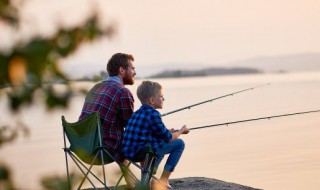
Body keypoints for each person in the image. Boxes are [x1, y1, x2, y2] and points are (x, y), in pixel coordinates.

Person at [79, 52, 136, 187]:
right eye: (132, 68)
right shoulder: (123, 92)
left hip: (82, 147)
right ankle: (143, 183)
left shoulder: (95, 87)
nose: (135, 72)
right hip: (102, 150)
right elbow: (130, 127)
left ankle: (131, 183)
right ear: (121, 70)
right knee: (142, 140)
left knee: (119, 139)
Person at [122, 81, 189, 189]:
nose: (163, 99)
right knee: (179, 144)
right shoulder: (154, 114)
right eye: (161, 96)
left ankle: (149, 178)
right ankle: (163, 180)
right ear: (152, 100)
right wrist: (181, 131)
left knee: (158, 142)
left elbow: (150, 131)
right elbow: (168, 138)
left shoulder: (137, 113)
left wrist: (167, 131)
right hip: (143, 152)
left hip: (128, 152)